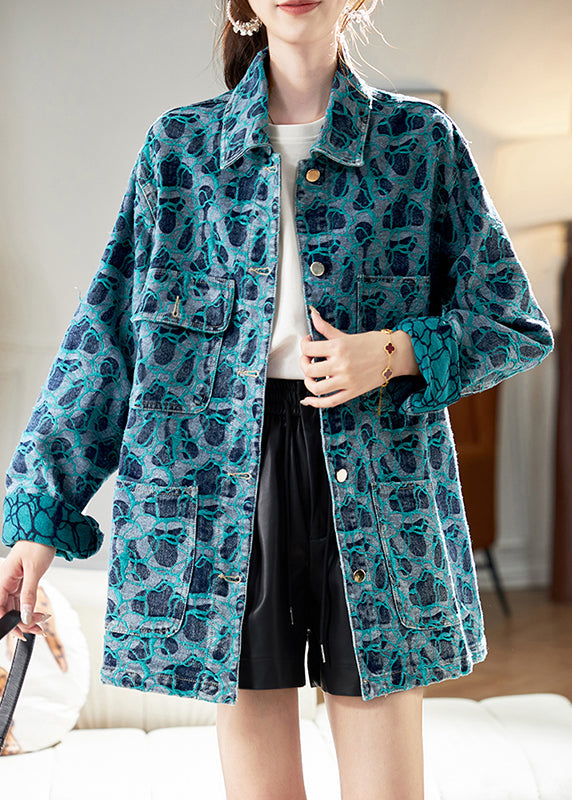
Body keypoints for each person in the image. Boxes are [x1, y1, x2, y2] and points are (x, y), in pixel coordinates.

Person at [0, 1, 553, 798]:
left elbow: (512, 321)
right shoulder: (179, 149)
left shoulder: (420, 141)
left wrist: (392, 353)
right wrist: (38, 517)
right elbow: (109, 340)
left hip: (381, 481)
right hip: (220, 487)